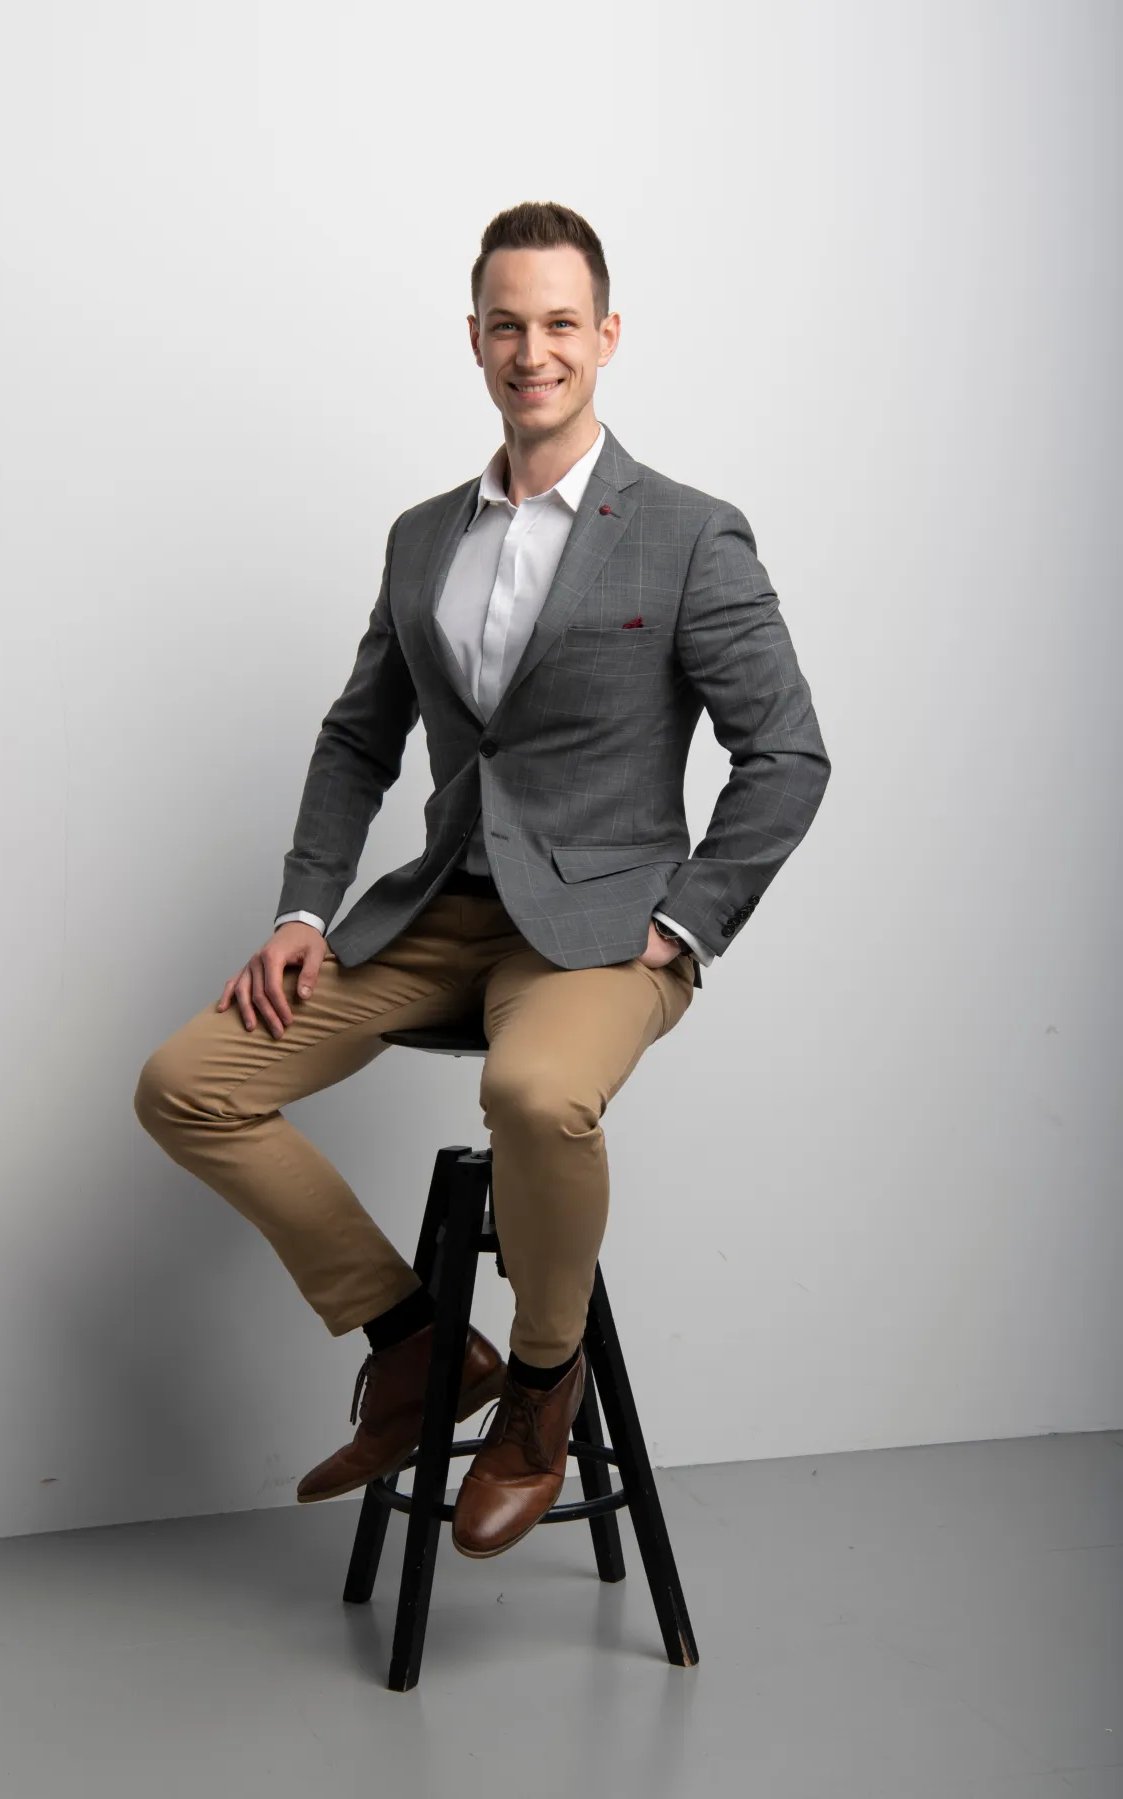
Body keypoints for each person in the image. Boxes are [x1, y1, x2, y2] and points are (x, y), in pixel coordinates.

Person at [134, 200, 831, 1560]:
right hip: (438, 911)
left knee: (534, 1094)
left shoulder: (689, 533)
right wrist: (303, 911)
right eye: (508, 325)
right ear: (474, 339)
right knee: (186, 1083)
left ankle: (540, 1385)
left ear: (607, 335)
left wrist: (685, 922)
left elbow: (788, 755)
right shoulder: (421, 538)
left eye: (560, 323)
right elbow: (359, 737)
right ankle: (415, 1342)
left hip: (603, 932)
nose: (533, 351)